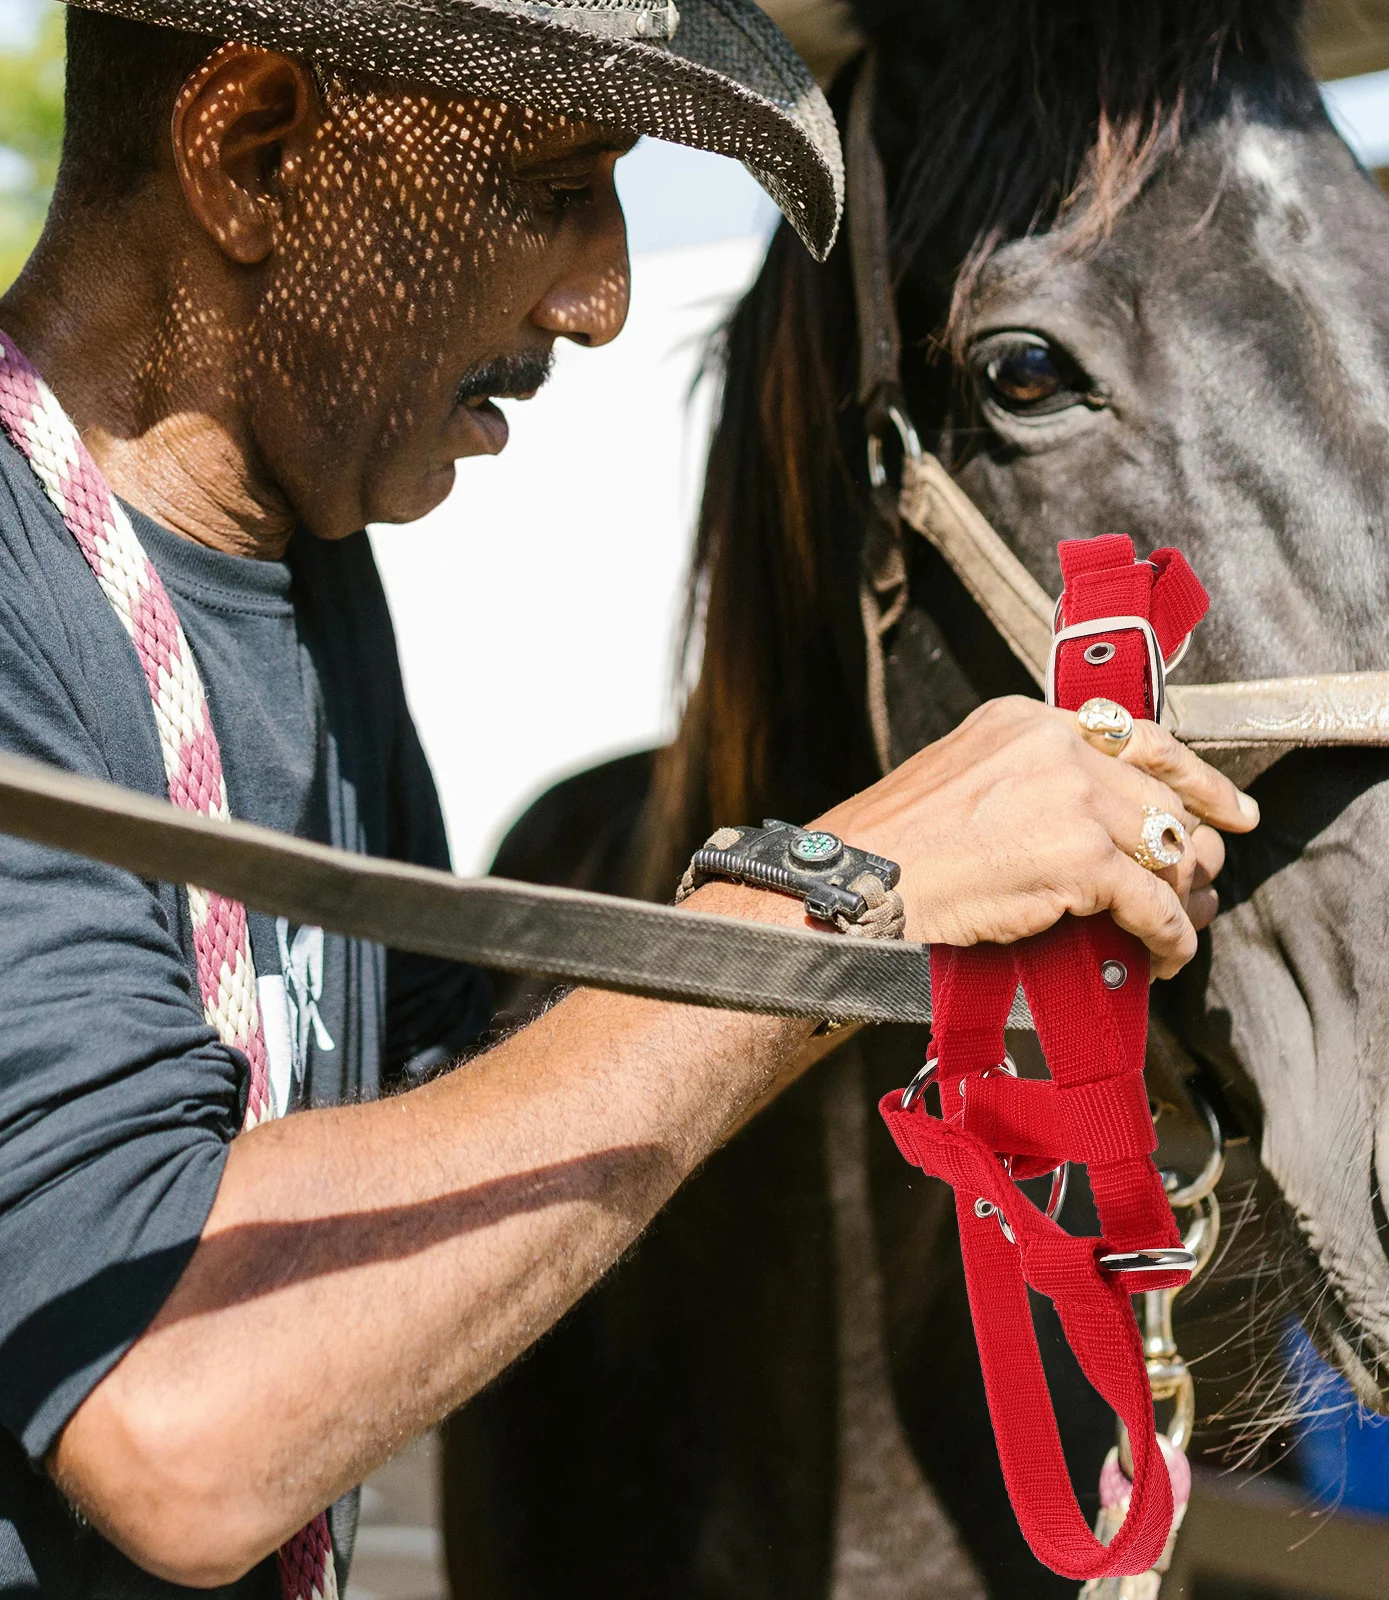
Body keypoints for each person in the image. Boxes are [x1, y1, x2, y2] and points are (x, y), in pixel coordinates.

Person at [0, 1, 1258, 1594]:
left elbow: (448, 1103)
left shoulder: (302, 586)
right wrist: (839, 890)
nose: (601, 299)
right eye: (549, 184)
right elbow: (177, 1421)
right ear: (249, 153)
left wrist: (937, 949)